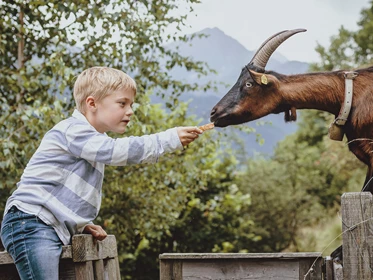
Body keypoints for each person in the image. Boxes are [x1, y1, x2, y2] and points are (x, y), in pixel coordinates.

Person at [0, 66, 203, 280]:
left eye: (131, 104)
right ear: (92, 103)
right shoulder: (73, 130)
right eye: (122, 103)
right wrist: (167, 139)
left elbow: (60, 191)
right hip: (30, 223)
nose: (130, 111)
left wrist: (79, 225)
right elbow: (116, 151)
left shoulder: (91, 140)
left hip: (45, 225)